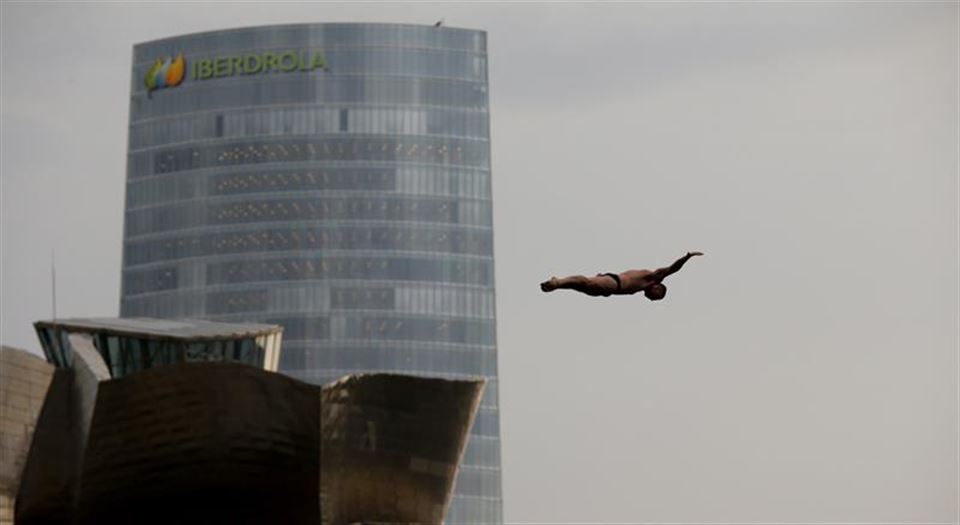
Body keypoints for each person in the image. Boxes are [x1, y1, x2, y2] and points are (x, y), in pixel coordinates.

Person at [540, 251, 704, 300]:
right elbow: (672, 269)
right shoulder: (653, 278)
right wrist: (687, 257)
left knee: (580, 286)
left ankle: (559, 285)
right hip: (613, 283)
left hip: (607, 290)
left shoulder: (643, 287)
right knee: (584, 282)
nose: (652, 299)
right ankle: (558, 282)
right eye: (656, 296)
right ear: (658, 286)